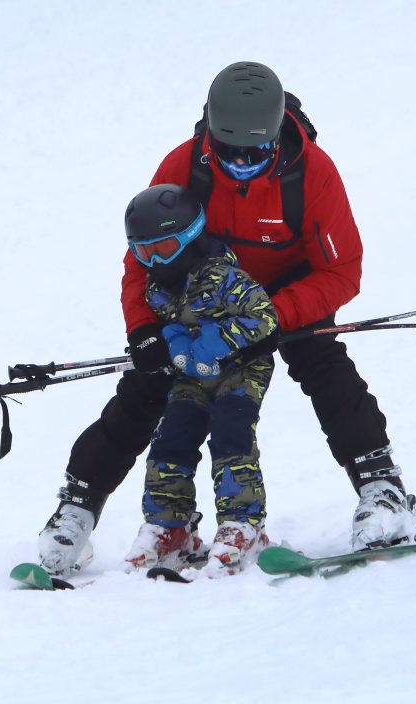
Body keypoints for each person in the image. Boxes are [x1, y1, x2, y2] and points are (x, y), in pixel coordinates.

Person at [38, 61, 416, 577]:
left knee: (322, 362)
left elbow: (342, 271)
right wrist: (144, 331)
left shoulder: (314, 173)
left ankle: (383, 490)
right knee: (150, 381)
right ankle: (77, 508)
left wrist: (273, 319)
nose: (241, 164)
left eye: (255, 153)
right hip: (201, 298)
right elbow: (142, 257)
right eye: (228, 152)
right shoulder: (184, 166)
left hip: (289, 295)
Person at [119, 184, 277, 577]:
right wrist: (170, 341)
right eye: (144, 252)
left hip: (241, 369)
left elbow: (265, 317)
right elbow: (163, 325)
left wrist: (217, 341)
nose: (155, 260)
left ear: (190, 238)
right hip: (192, 376)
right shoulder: (157, 288)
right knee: (172, 437)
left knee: (230, 432)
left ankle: (244, 524)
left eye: (165, 248)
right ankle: (170, 527)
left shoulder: (223, 276)